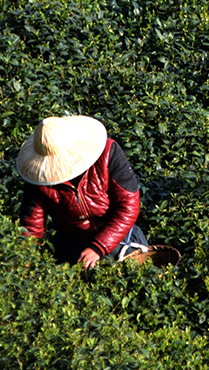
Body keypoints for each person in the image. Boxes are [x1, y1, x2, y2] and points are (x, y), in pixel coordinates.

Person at [16, 115, 148, 268]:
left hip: (118, 234)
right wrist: (24, 262)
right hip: (72, 244)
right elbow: (32, 227)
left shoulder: (108, 153)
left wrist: (98, 247)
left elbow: (128, 207)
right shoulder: (38, 175)